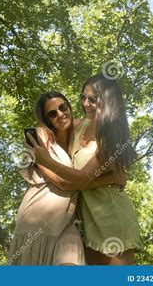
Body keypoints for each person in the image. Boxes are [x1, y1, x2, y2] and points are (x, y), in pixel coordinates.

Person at [28, 75, 142, 265]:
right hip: (86, 221)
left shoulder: (109, 137)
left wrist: (45, 161)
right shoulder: (79, 126)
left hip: (112, 217)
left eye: (93, 99)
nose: (86, 104)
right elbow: (51, 125)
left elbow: (82, 179)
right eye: (83, 97)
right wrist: (37, 135)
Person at [7, 92, 125, 265]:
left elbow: (102, 129)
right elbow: (64, 183)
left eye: (63, 107)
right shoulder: (40, 141)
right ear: (47, 120)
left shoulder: (79, 135)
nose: (60, 114)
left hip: (68, 222)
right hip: (38, 217)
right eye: (52, 113)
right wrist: (111, 179)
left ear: (69, 106)